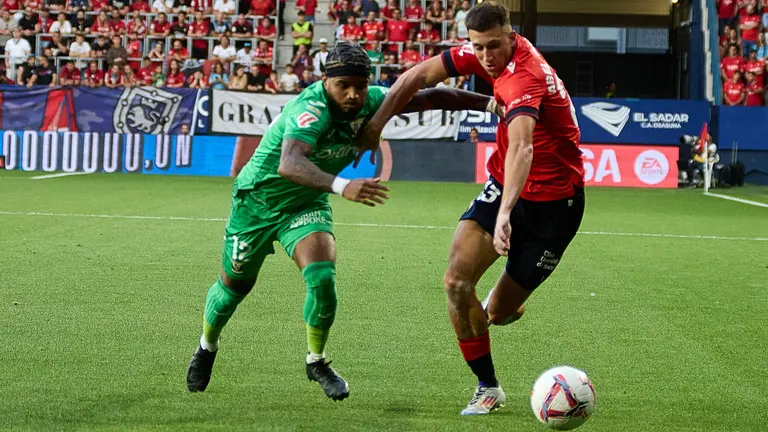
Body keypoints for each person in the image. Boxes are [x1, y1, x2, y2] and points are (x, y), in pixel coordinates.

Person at [185, 41, 505, 401]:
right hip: (256, 203)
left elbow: (426, 97)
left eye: (360, 86)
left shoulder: (369, 101)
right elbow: (289, 163)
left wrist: (491, 103)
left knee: (322, 277)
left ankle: (316, 360)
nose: (353, 95)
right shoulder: (310, 110)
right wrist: (343, 185)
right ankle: (207, 346)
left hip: (305, 203)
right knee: (233, 290)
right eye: (344, 86)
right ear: (325, 81)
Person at [356, 1, 585, 416]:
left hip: (554, 204)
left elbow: (522, 147)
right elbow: (416, 75)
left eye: (494, 46)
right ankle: (488, 387)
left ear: (511, 36)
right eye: (478, 48)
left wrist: (504, 215)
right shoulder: (479, 55)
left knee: (496, 312)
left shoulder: (524, 77)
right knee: (456, 283)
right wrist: (377, 123)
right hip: (504, 186)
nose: (485, 57)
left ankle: (505, 301)